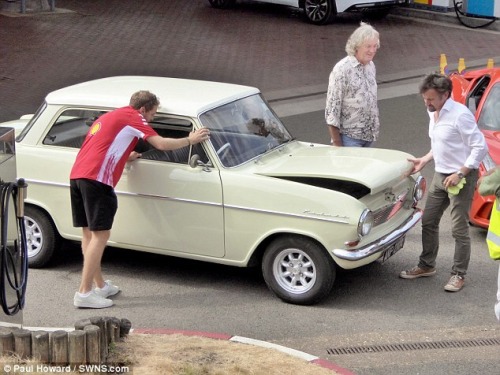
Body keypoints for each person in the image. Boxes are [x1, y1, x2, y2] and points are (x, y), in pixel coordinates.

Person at [70, 90, 210, 309]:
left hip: (78, 175)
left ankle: (99, 285)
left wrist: (127, 155)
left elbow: (103, 145)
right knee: (101, 234)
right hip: (98, 179)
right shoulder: (134, 117)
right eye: (153, 113)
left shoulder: (111, 116)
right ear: (143, 109)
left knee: (89, 233)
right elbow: (161, 144)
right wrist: (190, 139)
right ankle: (84, 293)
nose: (152, 119)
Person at [399, 73, 488, 292]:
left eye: (430, 99)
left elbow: (480, 147)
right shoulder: (433, 112)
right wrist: (425, 159)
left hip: (461, 178)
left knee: (458, 229)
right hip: (441, 175)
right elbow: (440, 143)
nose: (426, 103)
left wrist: (461, 172)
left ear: (445, 95)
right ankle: (426, 265)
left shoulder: (460, 115)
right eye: (424, 98)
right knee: (429, 221)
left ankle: (459, 274)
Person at [325, 22, 380, 147]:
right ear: (357, 46)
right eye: (368, 46)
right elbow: (332, 110)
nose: (372, 51)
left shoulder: (371, 66)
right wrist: (337, 143)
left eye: (375, 46)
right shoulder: (342, 70)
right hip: (349, 138)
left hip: (369, 136)